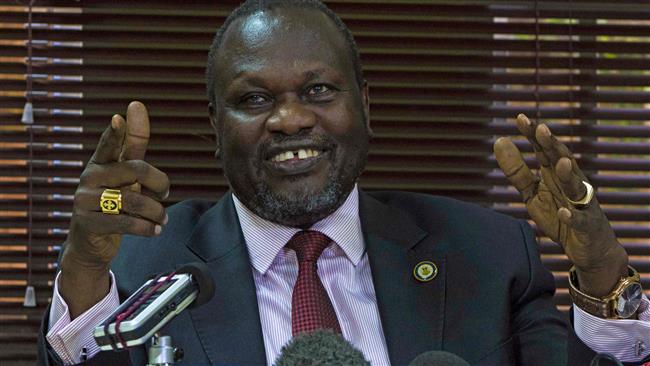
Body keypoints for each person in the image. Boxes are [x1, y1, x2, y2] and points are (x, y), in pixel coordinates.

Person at [38, 1, 650, 365]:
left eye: (319, 91)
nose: (291, 118)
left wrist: (603, 276)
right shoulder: (145, 270)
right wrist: (85, 267)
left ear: (365, 106)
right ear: (216, 128)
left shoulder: (485, 258)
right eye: (254, 99)